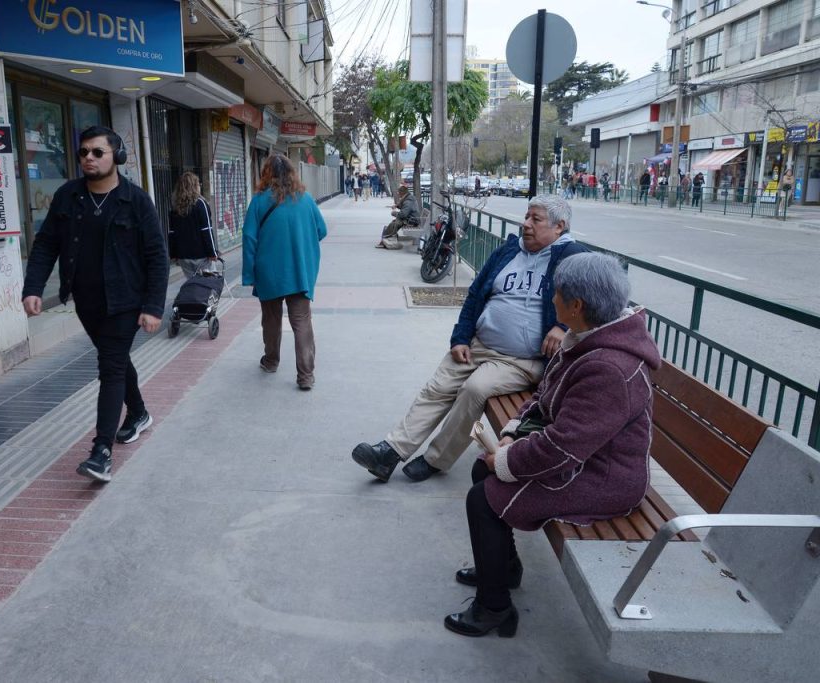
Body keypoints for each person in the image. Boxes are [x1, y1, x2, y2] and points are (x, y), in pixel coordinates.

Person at [443, 253, 661, 638]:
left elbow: (562, 448)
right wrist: (511, 434)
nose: (551, 298)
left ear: (576, 306)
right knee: (482, 468)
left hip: (605, 478)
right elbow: (545, 396)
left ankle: (494, 608)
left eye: (556, 292)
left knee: (484, 499)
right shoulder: (586, 337)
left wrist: (506, 461)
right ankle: (503, 570)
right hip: (583, 457)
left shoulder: (608, 368)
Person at [351, 195, 587, 482]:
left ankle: (436, 459)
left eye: (534, 219)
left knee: (474, 389)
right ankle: (389, 453)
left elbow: (591, 305)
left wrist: (563, 327)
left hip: (520, 360)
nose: (525, 224)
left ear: (559, 226)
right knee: (438, 387)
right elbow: (475, 295)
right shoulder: (508, 252)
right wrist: (460, 338)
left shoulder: (574, 258)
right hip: (479, 344)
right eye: (527, 216)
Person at [22, 125, 168, 483]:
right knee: (115, 359)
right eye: (83, 152)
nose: (88, 157)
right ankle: (138, 413)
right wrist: (34, 287)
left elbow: (157, 256)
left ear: (116, 157)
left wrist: (153, 306)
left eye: (97, 152)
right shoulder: (68, 196)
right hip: (86, 302)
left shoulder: (135, 201)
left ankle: (101, 451)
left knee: (111, 367)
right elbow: (45, 245)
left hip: (125, 301)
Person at [242, 155, 328, 390]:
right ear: (292, 173)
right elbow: (321, 230)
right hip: (299, 271)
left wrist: (249, 275)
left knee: (271, 319)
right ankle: (306, 376)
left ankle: (271, 361)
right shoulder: (305, 199)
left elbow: (249, 239)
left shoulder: (259, 202)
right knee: (301, 322)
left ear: (266, 174)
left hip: (269, 273)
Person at [168, 172, 219, 278]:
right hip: (201, 256)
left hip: (183, 256)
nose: (200, 186)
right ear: (195, 186)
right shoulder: (201, 204)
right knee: (208, 285)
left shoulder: (175, 207)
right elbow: (207, 230)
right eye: (198, 184)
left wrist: (173, 254)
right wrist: (212, 253)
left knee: (192, 286)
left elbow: (172, 232)